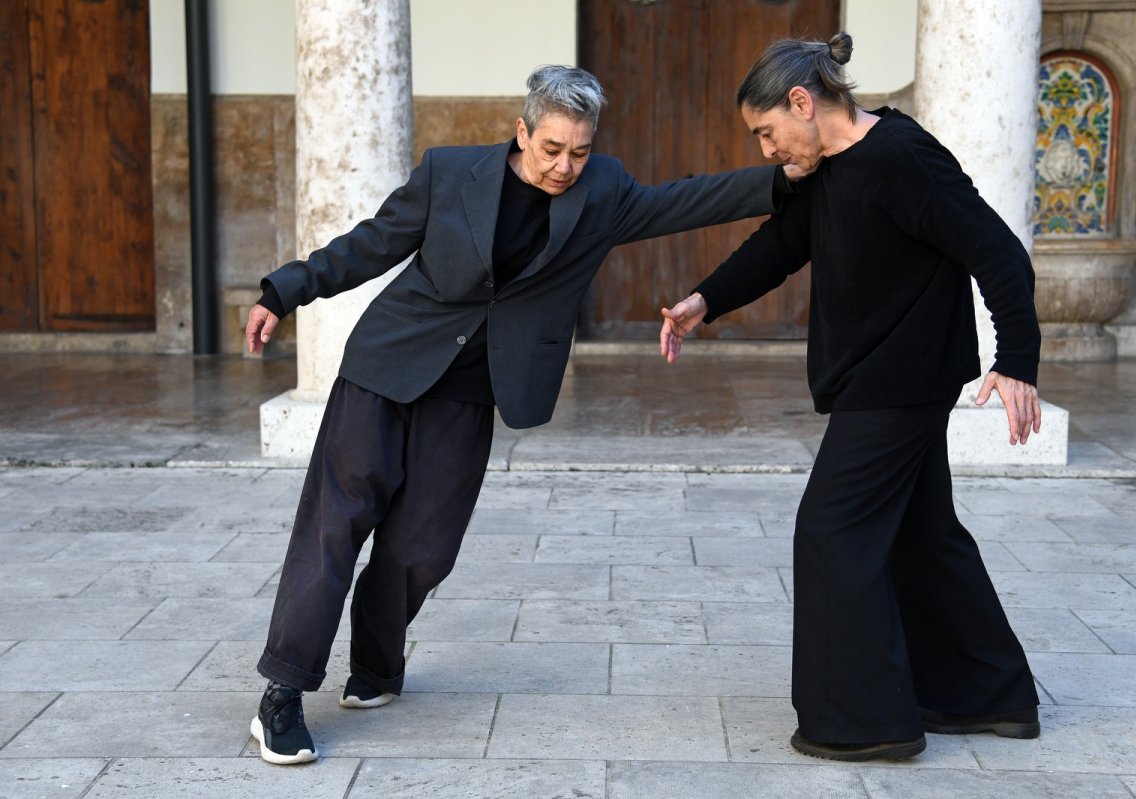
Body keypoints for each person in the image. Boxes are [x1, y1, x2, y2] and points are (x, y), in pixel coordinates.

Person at [244, 65, 801, 765]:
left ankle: (377, 666)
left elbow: (684, 201)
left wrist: (788, 178)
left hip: (472, 391)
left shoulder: (604, 191)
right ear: (521, 131)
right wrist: (283, 291)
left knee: (424, 548)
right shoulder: (450, 174)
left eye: (579, 151)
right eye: (551, 149)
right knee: (336, 523)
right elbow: (368, 244)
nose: (565, 166)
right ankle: (282, 694)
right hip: (385, 370)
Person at [660, 33, 1043, 762]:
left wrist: (1017, 359)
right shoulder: (827, 168)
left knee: (832, 532)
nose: (767, 148)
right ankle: (990, 692)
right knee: (922, 533)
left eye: (767, 130)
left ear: (803, 102)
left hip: (902, 382)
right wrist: (704, 300)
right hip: (883, 377)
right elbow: (781, 245)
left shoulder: (900, 156)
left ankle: (866, 720)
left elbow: (997, 249)